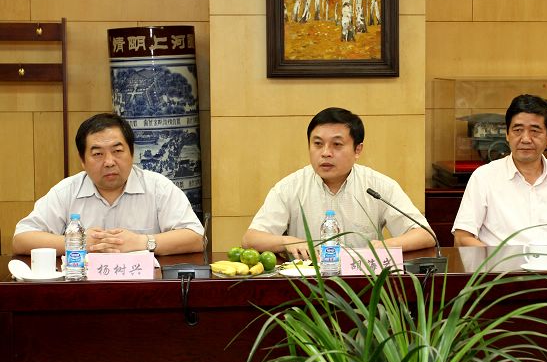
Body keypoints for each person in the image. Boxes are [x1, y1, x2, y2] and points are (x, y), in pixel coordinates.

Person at [242, 107, 436, 260]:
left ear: (357, 150)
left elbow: (426, 235)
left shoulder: (378, 186)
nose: (326, 153)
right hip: (305, 286)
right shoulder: (289, 187)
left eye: (337, 145)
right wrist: (289, 242)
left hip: (364, 283)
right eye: (318, 144)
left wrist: (384, 245)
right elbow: (251, 239)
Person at [13, 113, 204, 256]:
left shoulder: (158, 187)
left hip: (145, 289)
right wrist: (78, 242)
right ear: (82, 160)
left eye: (117, 151)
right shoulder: (67, 191)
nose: (109, 162)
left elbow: (197, 238)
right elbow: (21, 239)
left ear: (132, 153)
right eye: (98, 154)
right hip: (85, 290)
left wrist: (142, 242)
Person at [453, 94, 547, 247]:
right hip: (501, 263)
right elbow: (462, 238)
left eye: (535, 131)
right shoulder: (484, 177)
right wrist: (496, 259)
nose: (526, 139)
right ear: (507, 134)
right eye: (518, 130)